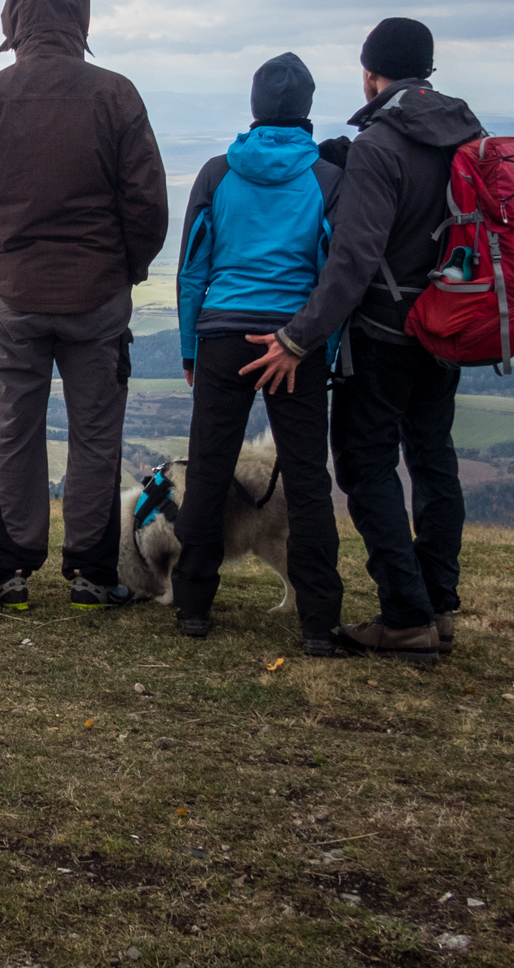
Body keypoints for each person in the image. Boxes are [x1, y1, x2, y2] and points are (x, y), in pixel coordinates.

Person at [242, 18, 484, 664]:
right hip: (447, 326)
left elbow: (352, 259)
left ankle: (404, 615)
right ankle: (436, 604)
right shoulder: (466, 131)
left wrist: (298, 337)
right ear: (426, 71)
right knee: (433, 457)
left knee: (364, 464)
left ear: (371, 73)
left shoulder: (381, 144)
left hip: (382, 334)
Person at [0, 0, 168, 612]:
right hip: (98, 298)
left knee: (14, 430)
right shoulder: (116, 95)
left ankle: (10, 570)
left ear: (13, 23)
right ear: (81, 22)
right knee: (96, 434)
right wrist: (127, 268)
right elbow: (147, 200)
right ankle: (93, 574)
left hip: (15, 296)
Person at [169, 52, 345, 652]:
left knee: (208, 471)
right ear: (307, 109)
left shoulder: (217, 174)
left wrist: (192, 348)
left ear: (253, 105)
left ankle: (193, 605)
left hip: (222, 337)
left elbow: (194, 271)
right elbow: (333, 273)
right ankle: (320, 622)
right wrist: (321, 348)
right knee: (308, 480)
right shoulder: (325, 179)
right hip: (295, 343)